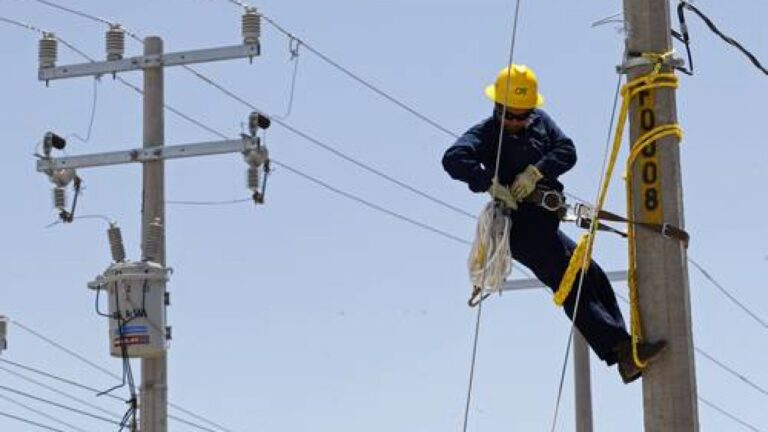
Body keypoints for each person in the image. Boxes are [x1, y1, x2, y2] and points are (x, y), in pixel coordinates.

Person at [442, 64, 666, 383]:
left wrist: (537, 171)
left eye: (524, 115)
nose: (518, 122)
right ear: (498, 109)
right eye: (511, 115)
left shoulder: (541, 123)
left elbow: (567, 151)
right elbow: (453, 158)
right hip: (520, 226)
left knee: (592, 273)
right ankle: (620, 350)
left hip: (546, 222)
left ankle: (624, 352)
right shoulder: (487, 134)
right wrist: (489, 182)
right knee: (573, 285)